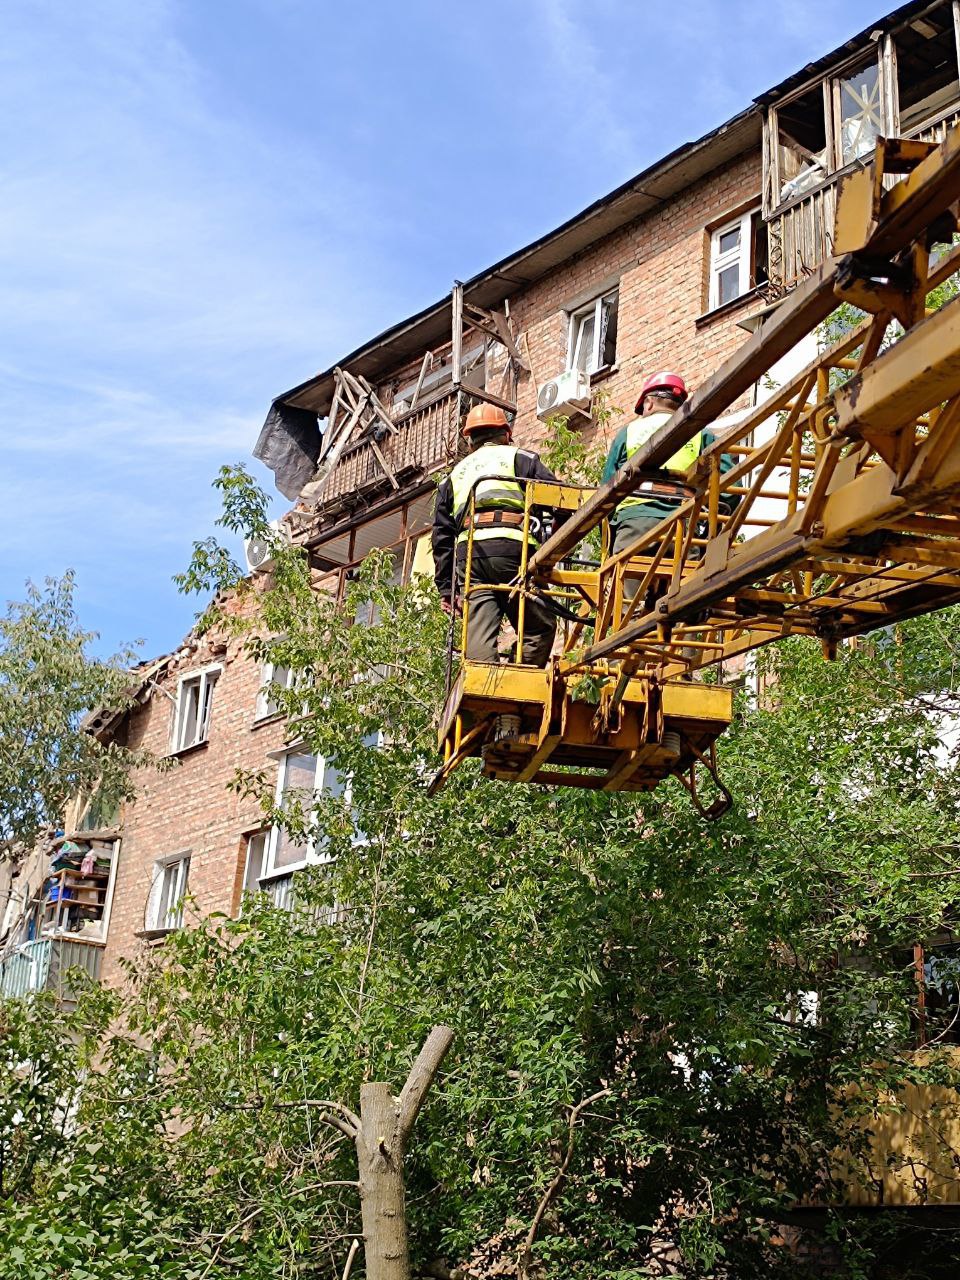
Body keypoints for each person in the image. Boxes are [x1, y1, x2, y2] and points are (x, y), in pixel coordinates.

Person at [432, 403, 566, 665]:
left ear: (470, 441)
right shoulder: (521, 458)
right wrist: (553, 546)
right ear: (505, 434)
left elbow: (442, 536)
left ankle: (484, 683)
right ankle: (519, 677)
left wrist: (447, 590)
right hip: (514, 553)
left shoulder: (453, 476)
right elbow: (562, 499)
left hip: (471, 560)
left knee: (478, 637)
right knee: (540, 627)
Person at [603, 371, 734, 566]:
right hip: (685, 530)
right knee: (686, 592)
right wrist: (711, 524)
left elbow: (606, 490)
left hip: (635, 526)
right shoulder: (701, 433)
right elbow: (730, 485)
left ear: (648, 403)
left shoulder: (628, 433)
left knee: (627, 592)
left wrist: (614, 530)